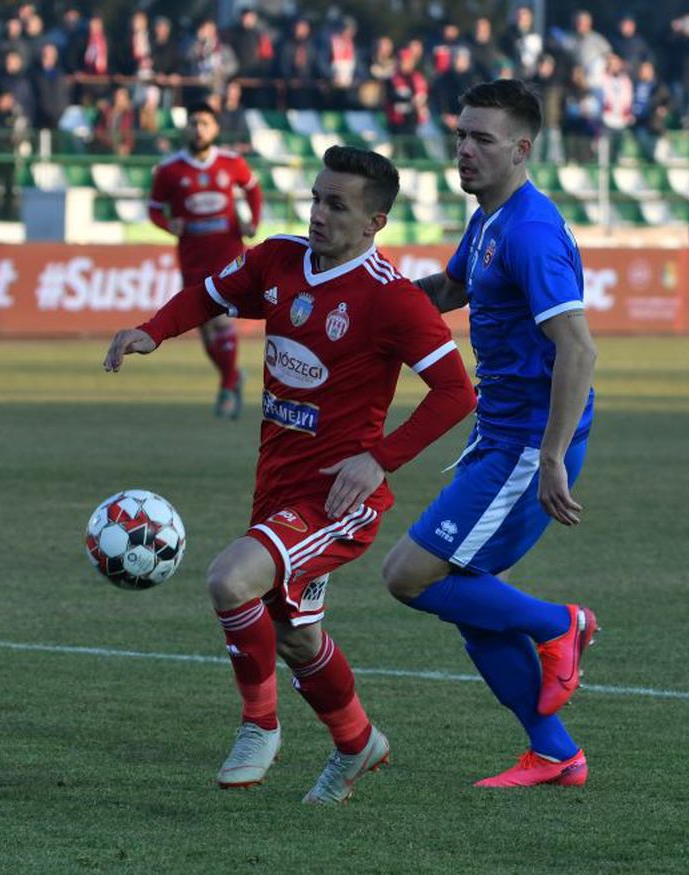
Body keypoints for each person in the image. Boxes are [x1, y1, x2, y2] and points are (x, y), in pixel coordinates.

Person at [104, 145, 477, 803]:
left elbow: (455, 391)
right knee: (297, 637)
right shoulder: (278, 260)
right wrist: (152, 331)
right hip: (276, 484)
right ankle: (359, 742)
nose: (318, 213)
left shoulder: (393, 299)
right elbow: (210, 295)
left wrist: (379, 457)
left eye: (337, 204)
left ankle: (259, 726)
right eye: (315, 197)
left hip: (339, 497)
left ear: (375, 222)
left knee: (230, 577)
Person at [381, 79, 599, 789]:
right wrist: (373, 296)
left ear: (522, 148)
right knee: (466, 590)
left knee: (411, 574)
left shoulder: (531, 231)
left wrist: (553, 456)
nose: (465, 150)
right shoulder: (490, 220)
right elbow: (450, 291)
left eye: (483, 138)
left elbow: (579, 348)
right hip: (499, 433)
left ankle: (558, 622)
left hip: (526, 441)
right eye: (462, 135)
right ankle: (555, 750)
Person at [147, 102, 262, 418]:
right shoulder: (170, 170)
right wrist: (167, 224)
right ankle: (232, 377)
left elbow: (252, 189)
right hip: (192, 258)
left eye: (206, 123)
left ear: (216, 129)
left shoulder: (231, 162)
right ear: (186, 128)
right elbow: (155, 208)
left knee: (220, 318)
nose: (199, 128)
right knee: (206, 327)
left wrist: (252, 222)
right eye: (194, 122)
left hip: (227, 255)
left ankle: (227, 387)